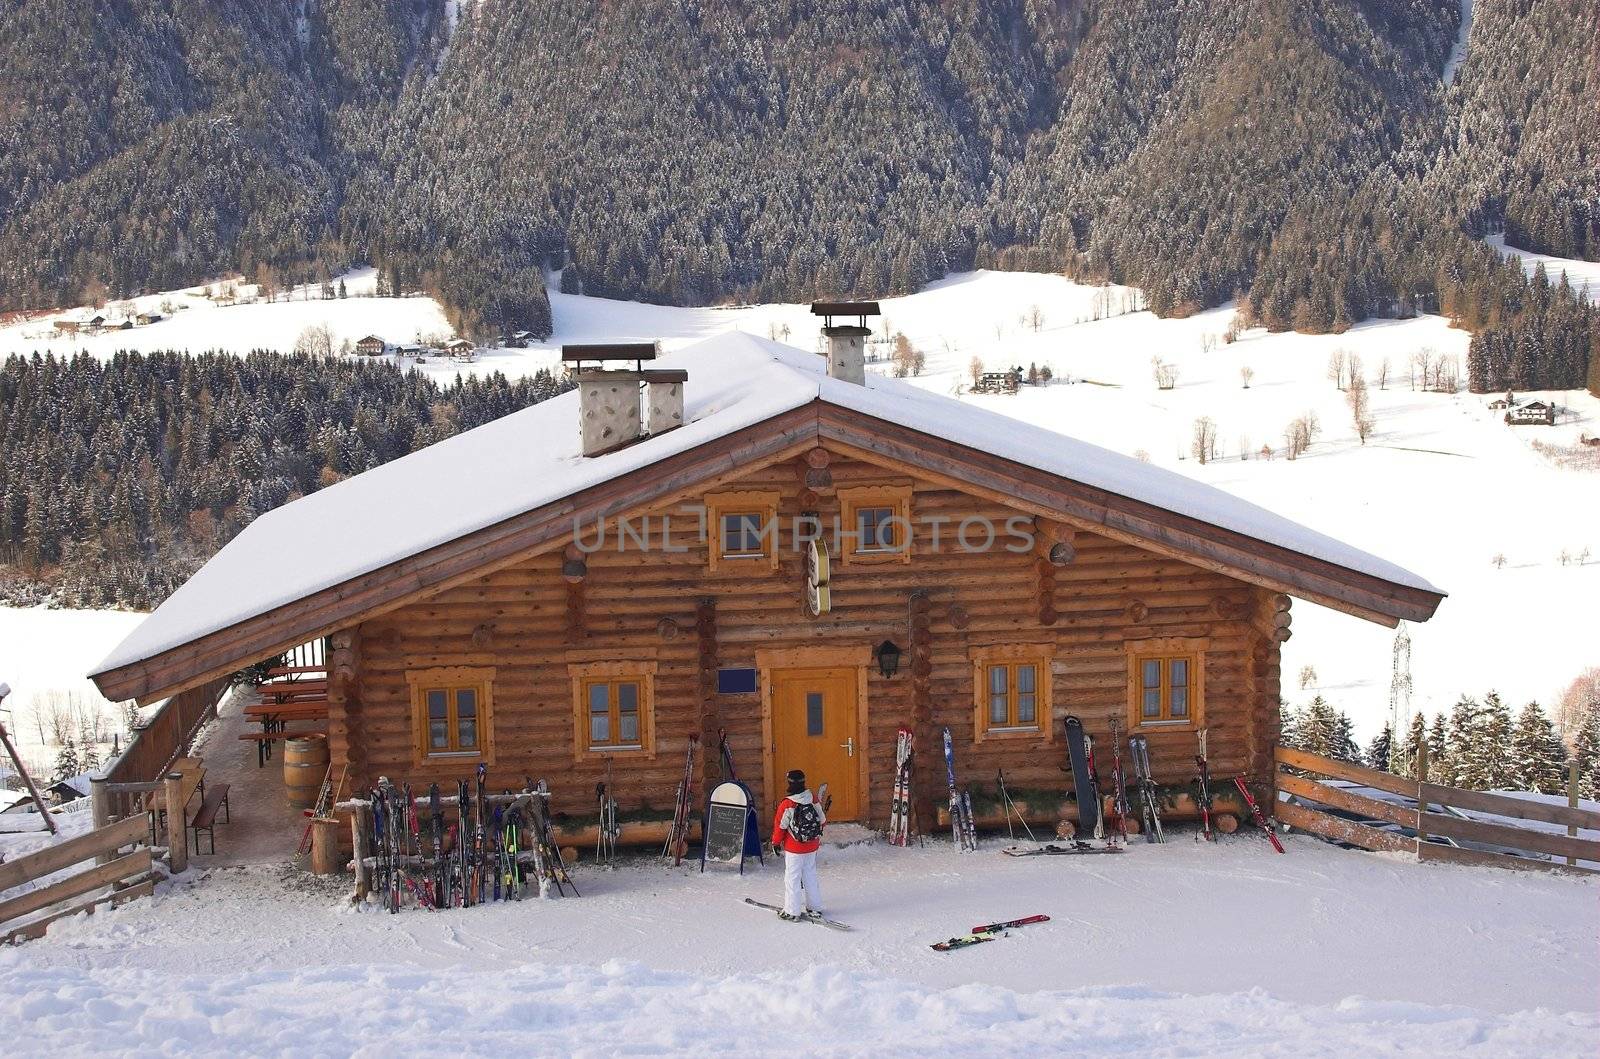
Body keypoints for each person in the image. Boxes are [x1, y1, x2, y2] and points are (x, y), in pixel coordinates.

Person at [771, 768, 826, 921]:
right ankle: (815, 907)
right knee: (810, 875)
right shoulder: (813, 798)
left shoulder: (787, 803)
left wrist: (776, 843)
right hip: (812, 845)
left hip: (794, 848)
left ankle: (792, 910)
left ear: (789, 783)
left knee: (792, 878)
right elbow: (823, 821)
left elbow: (780, 826)